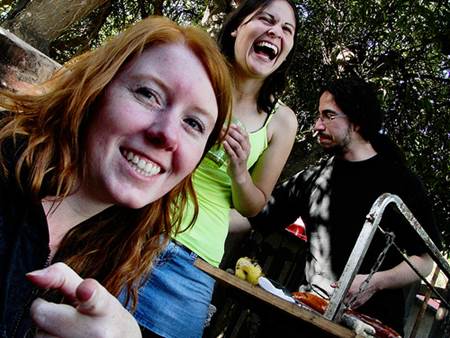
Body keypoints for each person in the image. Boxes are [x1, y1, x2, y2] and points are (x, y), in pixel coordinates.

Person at [0, 16, 232, 338]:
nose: (167, 135)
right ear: (95, 89)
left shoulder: (111, 253)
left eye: (193, 124)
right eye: (148, 94)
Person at [128, 1, 299, 337]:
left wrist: (239, 170)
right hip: (134, 232)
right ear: (236, 27)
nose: (275, 32)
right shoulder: (195, 77)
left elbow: (254, 206)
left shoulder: (282, 121)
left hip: (193, 264)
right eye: (266, 19)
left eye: (287, 29)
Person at [248, 77, 442, 335]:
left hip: (371, 326)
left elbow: (425, 261)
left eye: (328, 115)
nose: (317, 125)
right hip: (313, 313)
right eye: (319, 116)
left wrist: (375, 282)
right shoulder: (313, 178)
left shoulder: (400, 181)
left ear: (357, 120)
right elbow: (254, 217)